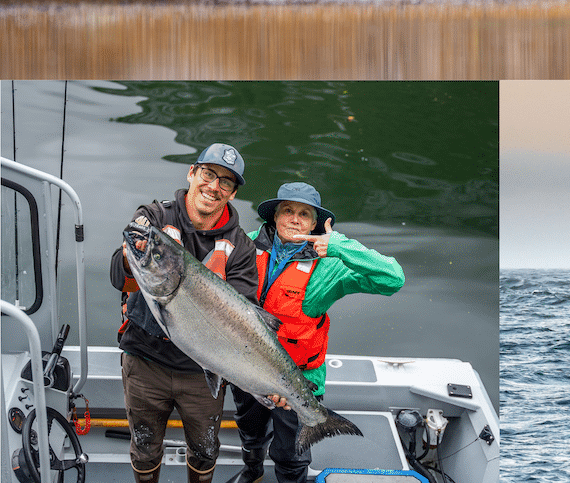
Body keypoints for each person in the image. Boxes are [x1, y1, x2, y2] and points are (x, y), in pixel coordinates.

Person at [231, 182, 405, 483]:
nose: (295, 219)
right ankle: (253, 472)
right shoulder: (245, 245)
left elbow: (393, 279)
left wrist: (339, 245)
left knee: (291, 453)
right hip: (248, 370)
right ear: (274, 216)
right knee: (250, 432)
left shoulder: (331, 264)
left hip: (299, 378)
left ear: (314, 223)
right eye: (288, 211)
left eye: (304, 214)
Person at [110, 143, 259, 483]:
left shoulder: (242, 248)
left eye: (225, 182)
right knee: (145, 447)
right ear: (191, 173)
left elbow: (244, 317)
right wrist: (132, 259)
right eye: (208, 174)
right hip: (145, 360)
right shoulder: (154, 217)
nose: (213, 186)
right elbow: (118, 277)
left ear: (232, 194)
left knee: (206, 450)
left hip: (202, 373)